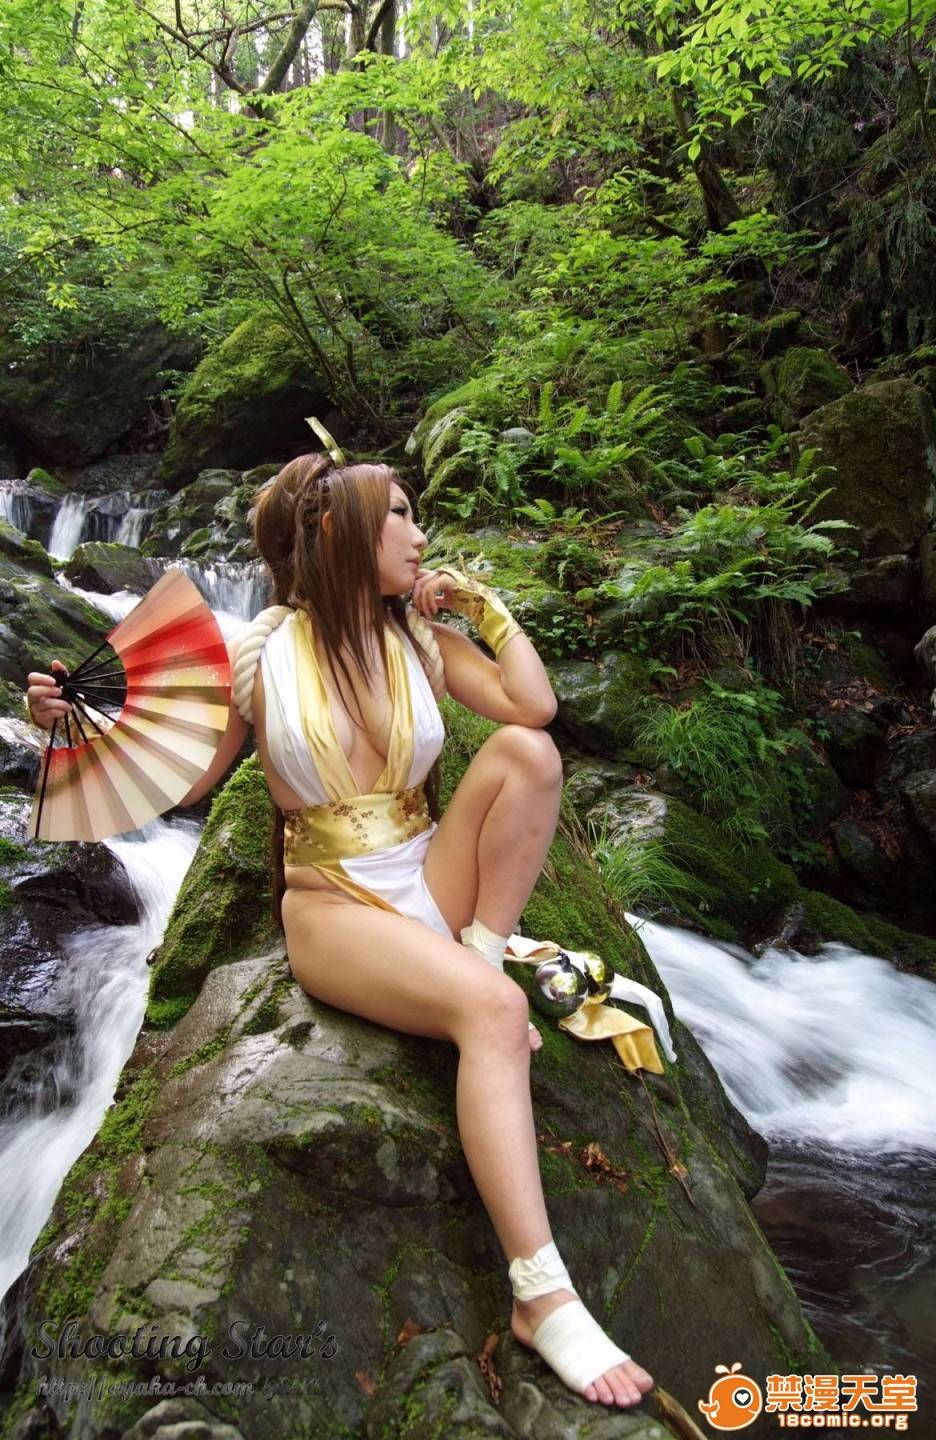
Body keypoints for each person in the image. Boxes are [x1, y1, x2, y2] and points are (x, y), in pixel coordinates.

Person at [26, 455, 654, 1410]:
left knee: (528, 756)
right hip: (332, 908)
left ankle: (475, 959)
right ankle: (541, 1292)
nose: (419, 536)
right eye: (399, 516)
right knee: (494, 1016)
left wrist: (481, 608)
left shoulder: (419, 639)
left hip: (427, 871)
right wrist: (65, 730)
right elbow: (187, 786)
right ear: (341, 534)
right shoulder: (258, 655)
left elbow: (534, 707)